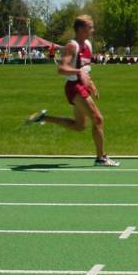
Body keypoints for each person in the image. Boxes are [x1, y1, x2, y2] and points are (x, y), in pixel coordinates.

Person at [25, 15, 119, 167]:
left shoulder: (87, 44)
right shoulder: (72, 46)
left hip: (80, 85)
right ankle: (100, 158)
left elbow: (84, 68)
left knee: (79, 126)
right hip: (74, 87)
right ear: (81, 29)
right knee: (98, 119)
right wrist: (79, 73)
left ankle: (43, 118)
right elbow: (61, 68)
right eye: (90, 27)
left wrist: (90, 81)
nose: (93, 30)